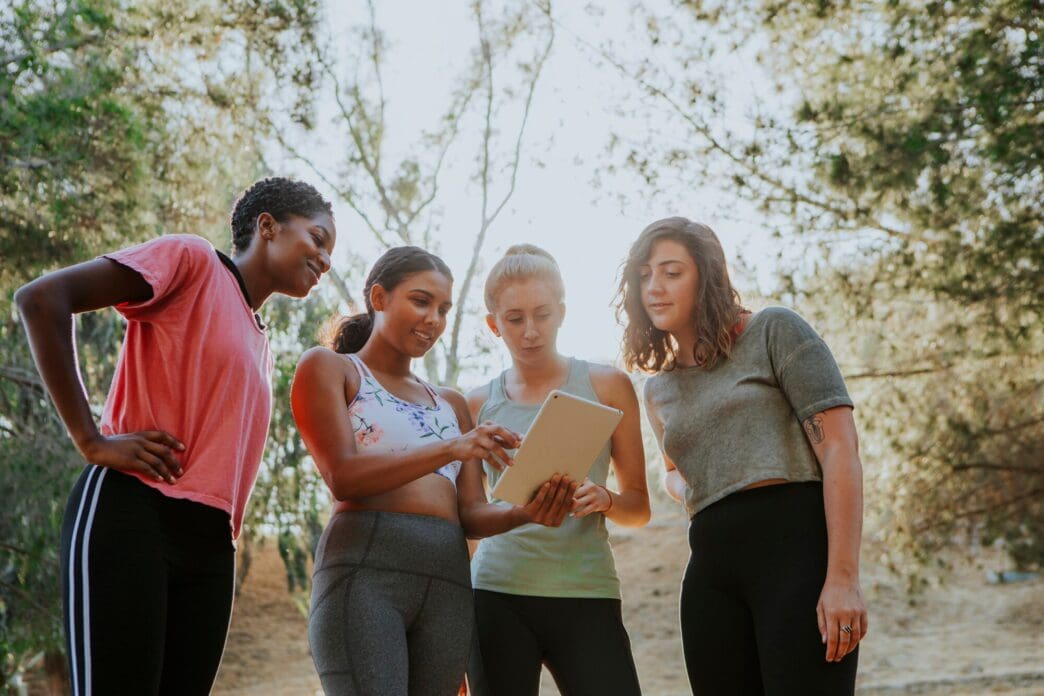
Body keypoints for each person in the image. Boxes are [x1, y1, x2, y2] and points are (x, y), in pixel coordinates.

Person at [14, 177, 337, 694]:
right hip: (133, 512)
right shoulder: (192, 261)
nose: (325, 259)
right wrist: (90, 439)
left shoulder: (260, 341)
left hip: (210, 546)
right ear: (268, 227)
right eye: (318, 239)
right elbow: (42, 299)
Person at [290, 245, 577, 696]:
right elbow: (343, 477)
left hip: (447, 583)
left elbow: (472, 515)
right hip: (365, 573)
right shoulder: (332, 368)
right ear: (379, 298)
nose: (434, 320)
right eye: (421, 301)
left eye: (443, 309)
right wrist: (452, 447)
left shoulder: (451, 403)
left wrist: (528, 511)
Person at [617, 217, 867, 695]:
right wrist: (685, 487)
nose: (655, 287)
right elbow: (672, 472)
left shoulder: (774, 331)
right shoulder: (659, 389)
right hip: (711, 572)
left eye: (671, 272)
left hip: (794, 555)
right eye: (644, 275)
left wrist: (844, 579)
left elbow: (839, 448)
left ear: (706, 276)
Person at [465, 244, 649, 696]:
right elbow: (468, 523)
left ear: (563, 313)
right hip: (495, 595)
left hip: (587, 591)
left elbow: (639, 508)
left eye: (543, 315)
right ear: (494, 325)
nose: (530, 332)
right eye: (514, 319)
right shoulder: (474, 404)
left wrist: (604, 500)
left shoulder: (608, 386)